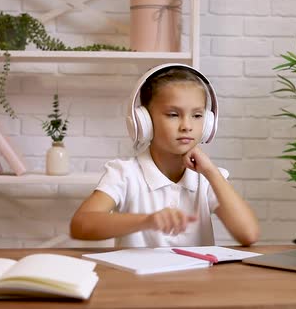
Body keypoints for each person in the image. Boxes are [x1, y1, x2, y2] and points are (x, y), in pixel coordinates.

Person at [70, 63, 260, 247]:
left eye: (197, 115)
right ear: (145, 122)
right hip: (139, 279)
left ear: (208, 122)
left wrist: (211, 172)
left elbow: (248, 234)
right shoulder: (125, 174)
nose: (187, 125)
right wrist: (147, 221)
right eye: (173, 114)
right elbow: (80, 225)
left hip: (195, 279)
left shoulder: (207, 177)